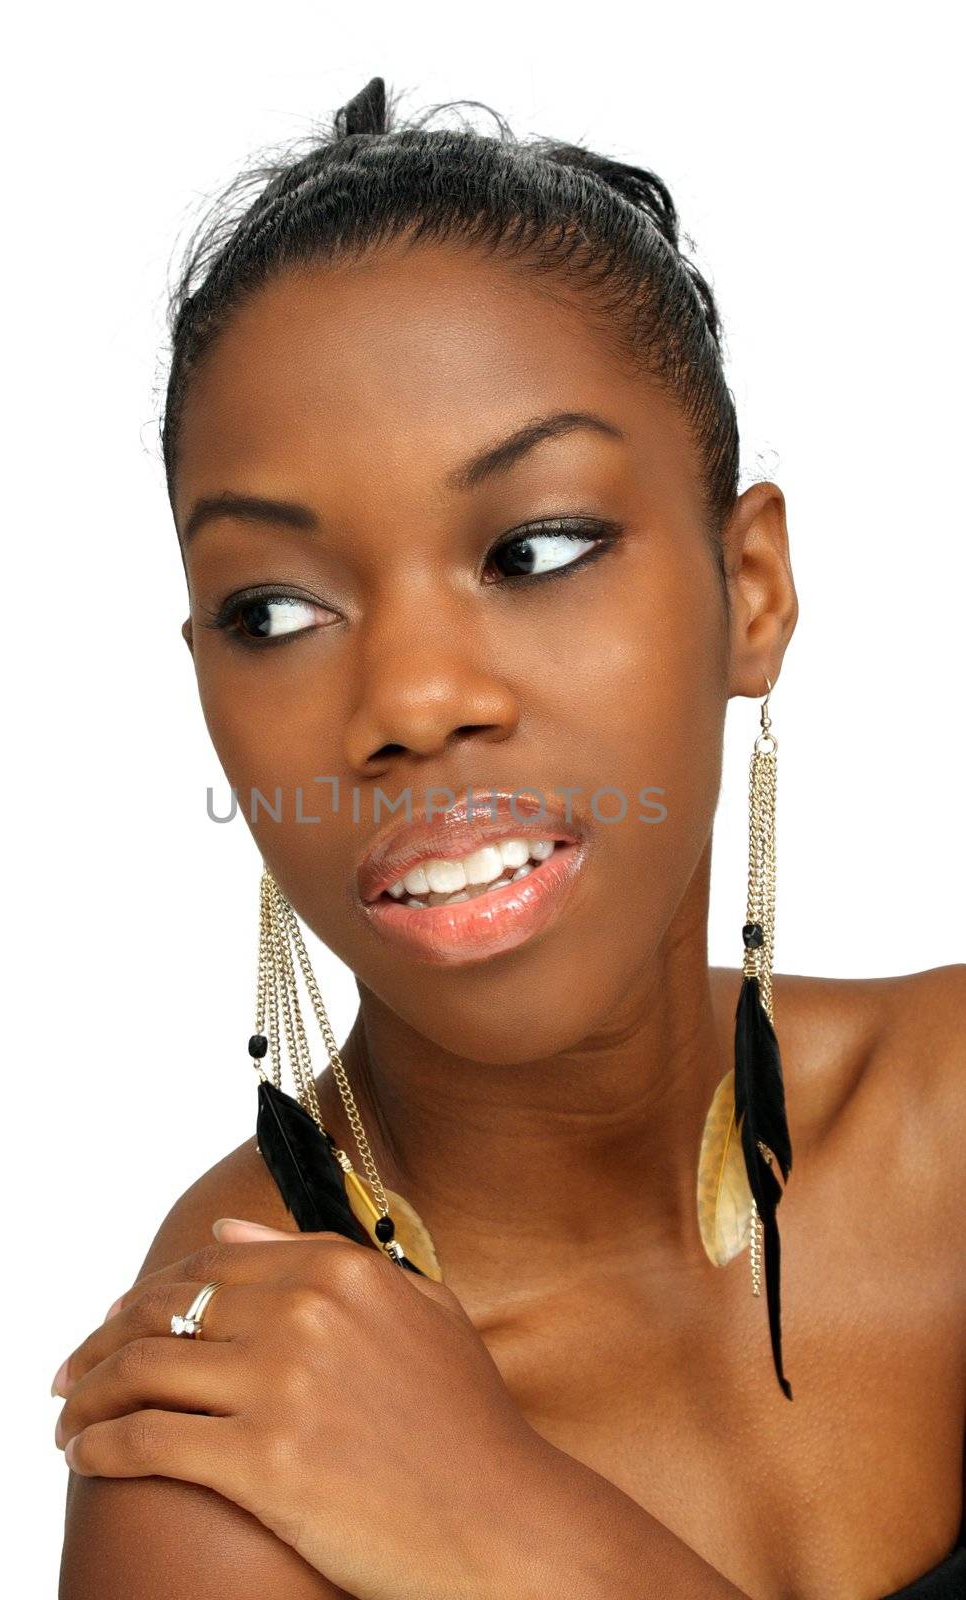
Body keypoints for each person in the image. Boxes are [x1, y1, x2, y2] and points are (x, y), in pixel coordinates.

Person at [52, 76, 965, 1599]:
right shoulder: (225, 1455)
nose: (408, 700)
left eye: (533, 549)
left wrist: (510, 1528)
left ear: (752, 592)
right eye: (273, 610)